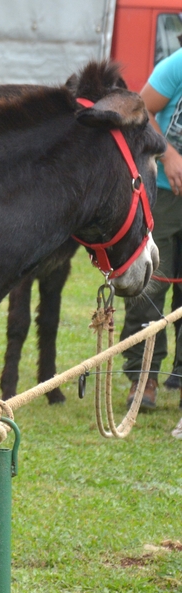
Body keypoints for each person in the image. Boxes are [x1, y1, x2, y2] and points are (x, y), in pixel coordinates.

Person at [119, 48, 182, 410]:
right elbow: (142, 112)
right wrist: (168, 154)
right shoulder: (176, 66)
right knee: (151, 285)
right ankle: (143, 380)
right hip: (164, 194)